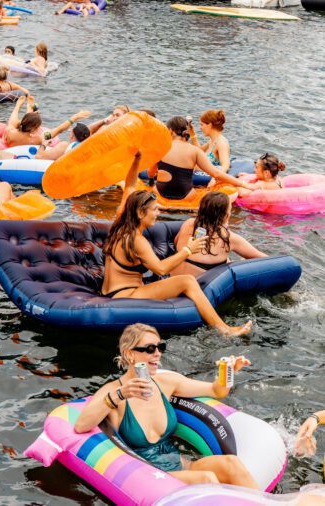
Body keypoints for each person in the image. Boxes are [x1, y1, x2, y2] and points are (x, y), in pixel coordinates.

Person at [75, 323, 257, 486]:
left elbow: (216, 391)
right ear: (130, 354)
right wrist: (120, 395)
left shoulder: (166, 382)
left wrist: (228, 372)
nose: (158, 353)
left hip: (181, 466)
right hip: (150, 478)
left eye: (160, 347)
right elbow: (82, 425)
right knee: (206, 479)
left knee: (231, 464)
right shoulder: (115, 391)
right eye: (150, 348)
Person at [100, 191, 252, 336]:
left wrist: (137, 162)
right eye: (154, 209)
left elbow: (130, 188)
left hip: (112, 292)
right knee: (187, 281)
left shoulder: (120, 227)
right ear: (140, 213)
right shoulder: (136, 240)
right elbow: (160, 269)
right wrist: (188, 250)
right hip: (125, 296)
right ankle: (224, 330)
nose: (158, 213)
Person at [151, 117, 252, 202]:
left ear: (170, 131)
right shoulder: (195, 151)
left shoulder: (161, 147)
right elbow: (216, 174)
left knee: (154, 187)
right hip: (186, 196)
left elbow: (150, 174)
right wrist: (244, 184)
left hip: (160, 193)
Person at [173, 191, 266, 277]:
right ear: (225, 215)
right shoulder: (229, 237)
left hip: (171, 279)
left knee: (226, 260)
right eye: (230, 210)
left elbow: (176, 242)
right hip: (198, 287)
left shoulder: (188, 223)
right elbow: (265, 260)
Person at [189, 109, 230, 173]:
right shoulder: (212, 141)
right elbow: (199, 151)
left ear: (210, 125)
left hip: (209, 177)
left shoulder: (221, 143)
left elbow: (225, 165)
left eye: (201, 125)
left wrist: (215, 178)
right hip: (200, 174)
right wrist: (192, 133)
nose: (200, 128)